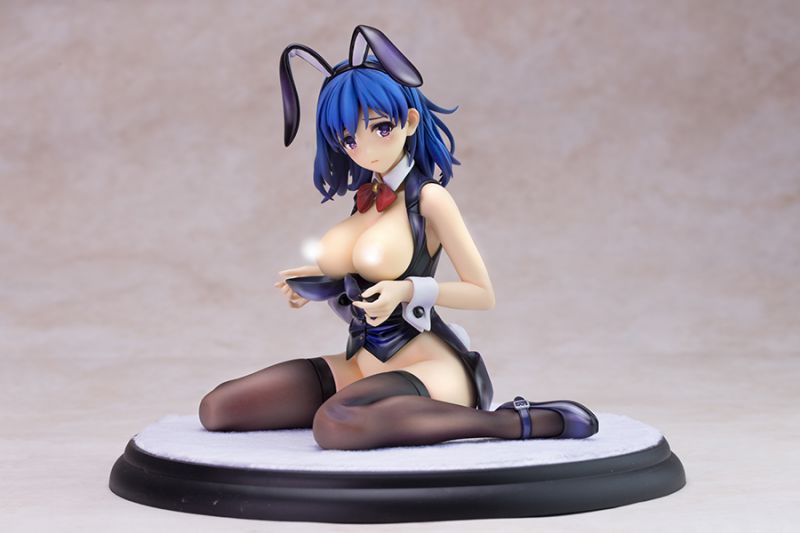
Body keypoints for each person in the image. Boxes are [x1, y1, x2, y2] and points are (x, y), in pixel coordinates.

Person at [198, 25, 598, 450]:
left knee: (334, 425)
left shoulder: (429, 199)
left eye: (380, 128)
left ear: (409, 122)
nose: (363, 148)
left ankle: (512, 422)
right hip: (361, 361)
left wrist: (406, 290)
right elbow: (360, 272)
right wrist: (314, 282)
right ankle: (375, 410)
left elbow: (482, 293)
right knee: (220, 407)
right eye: (348, 138)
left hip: (427, 365)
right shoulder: (365, 199)